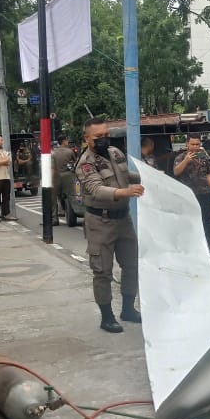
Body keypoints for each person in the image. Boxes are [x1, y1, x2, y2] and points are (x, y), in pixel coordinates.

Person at [75, 118, 144, 333]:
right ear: (87, 138)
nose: (104, 139)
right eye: (98, 137)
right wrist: (126, 192)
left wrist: (147, 177)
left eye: (106, 135)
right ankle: (106, 317)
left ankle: (128, 309)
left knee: (132, 265)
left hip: (124, 220)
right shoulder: (85, 163)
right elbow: (96, 190)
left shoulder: (115, 152)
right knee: (102, 271)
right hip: (100, 222)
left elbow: (125, 175)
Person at [173, 135, 210, 256]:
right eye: (193, 144)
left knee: (206, 220)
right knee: (188, 220)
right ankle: (189, 246)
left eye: (197, 144)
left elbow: (208, 174)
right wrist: (186, 161)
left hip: (204, 192)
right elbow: (176, 172)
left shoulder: (203, 157)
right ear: (187, 144)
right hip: (188, 194)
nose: (195, 147)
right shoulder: (181, 157)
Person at [51, 135, 75, 222]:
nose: (67, 142)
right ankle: (68, 212)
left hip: (57, 177)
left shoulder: (54, 153)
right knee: (69, 195)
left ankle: (54, 218)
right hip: (68, 176)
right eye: (67, 140)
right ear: (64, 141)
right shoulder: (70, 152)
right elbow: (75, 164)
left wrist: (52, 180)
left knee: (53, 197)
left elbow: (52, 168)